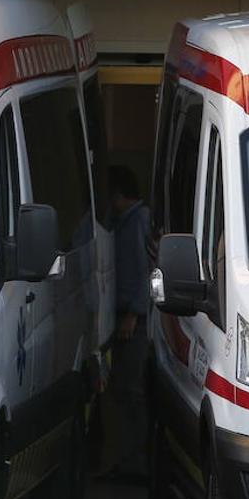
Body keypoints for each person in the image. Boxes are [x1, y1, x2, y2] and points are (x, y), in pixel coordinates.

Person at [102, 164, 151, 478]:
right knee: (123, 389)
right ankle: (126, 462)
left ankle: (135, 465)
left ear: (118, 194)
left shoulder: (137, 223)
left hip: (134, 320)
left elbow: (144, 271)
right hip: (124, 317)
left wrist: (133, 313)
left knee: (130, 391)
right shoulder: (126, 222)